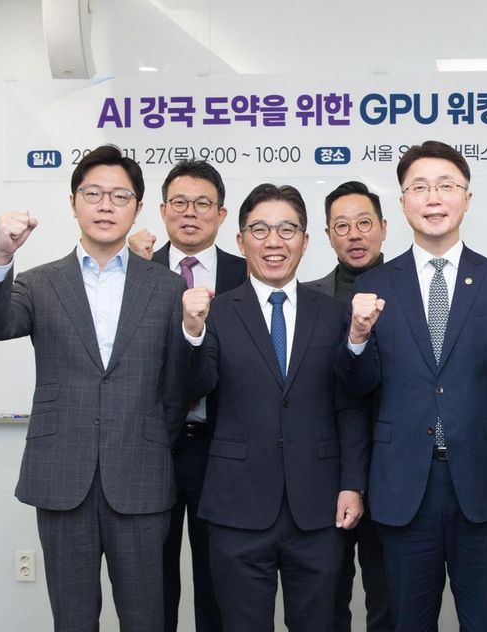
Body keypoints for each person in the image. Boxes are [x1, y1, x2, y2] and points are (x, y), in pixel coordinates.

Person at [0, 144, 188, 631]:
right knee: (72, 620)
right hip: (61, 477)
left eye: (119, 196)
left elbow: (177, 386)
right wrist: (2, 256)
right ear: (73, 203)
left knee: (147, 619)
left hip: (140, 477)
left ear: (137, 207)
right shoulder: (39, 283)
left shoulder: (167, 288)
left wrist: (153, 437)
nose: (106, 206)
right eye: (93, 194)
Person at [337, 141, 487, 632]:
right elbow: (357, 392)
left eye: (446, 186)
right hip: (403, 484)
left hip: (483, 482)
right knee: (407, 620)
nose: (433, 198)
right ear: (403, 201)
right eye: (420, 187)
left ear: (466, 199)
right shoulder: (374, 285)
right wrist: (357, 338)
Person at [183, 183, 368, 631]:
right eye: (260, 229)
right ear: (240, 239)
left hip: (319, 507)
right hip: (237, 507)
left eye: (287, 230)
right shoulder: (216, 313)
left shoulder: (334, 313)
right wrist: (191, 332)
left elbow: (350, 407)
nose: (274, 242)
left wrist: (352, 484)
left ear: (305, 241)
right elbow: (193, 388)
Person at [129, 159, 246, 632]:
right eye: (179, 202)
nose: (190, 212)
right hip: (152, 446)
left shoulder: (247, 273)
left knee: (220, 582)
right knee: (152, 584)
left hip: (224, 449)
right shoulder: (135, 271)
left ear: (221, 214)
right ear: (162, 211)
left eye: (202, 203)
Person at [303, 180, 394, 632]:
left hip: (394, 467)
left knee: (388, 599)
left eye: (364, 223)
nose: (354, 234)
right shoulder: (307, 297)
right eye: (342, 226)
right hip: (324, 468)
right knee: (325, 597)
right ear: (327, 235)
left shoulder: (409, 290)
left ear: (384, 227)